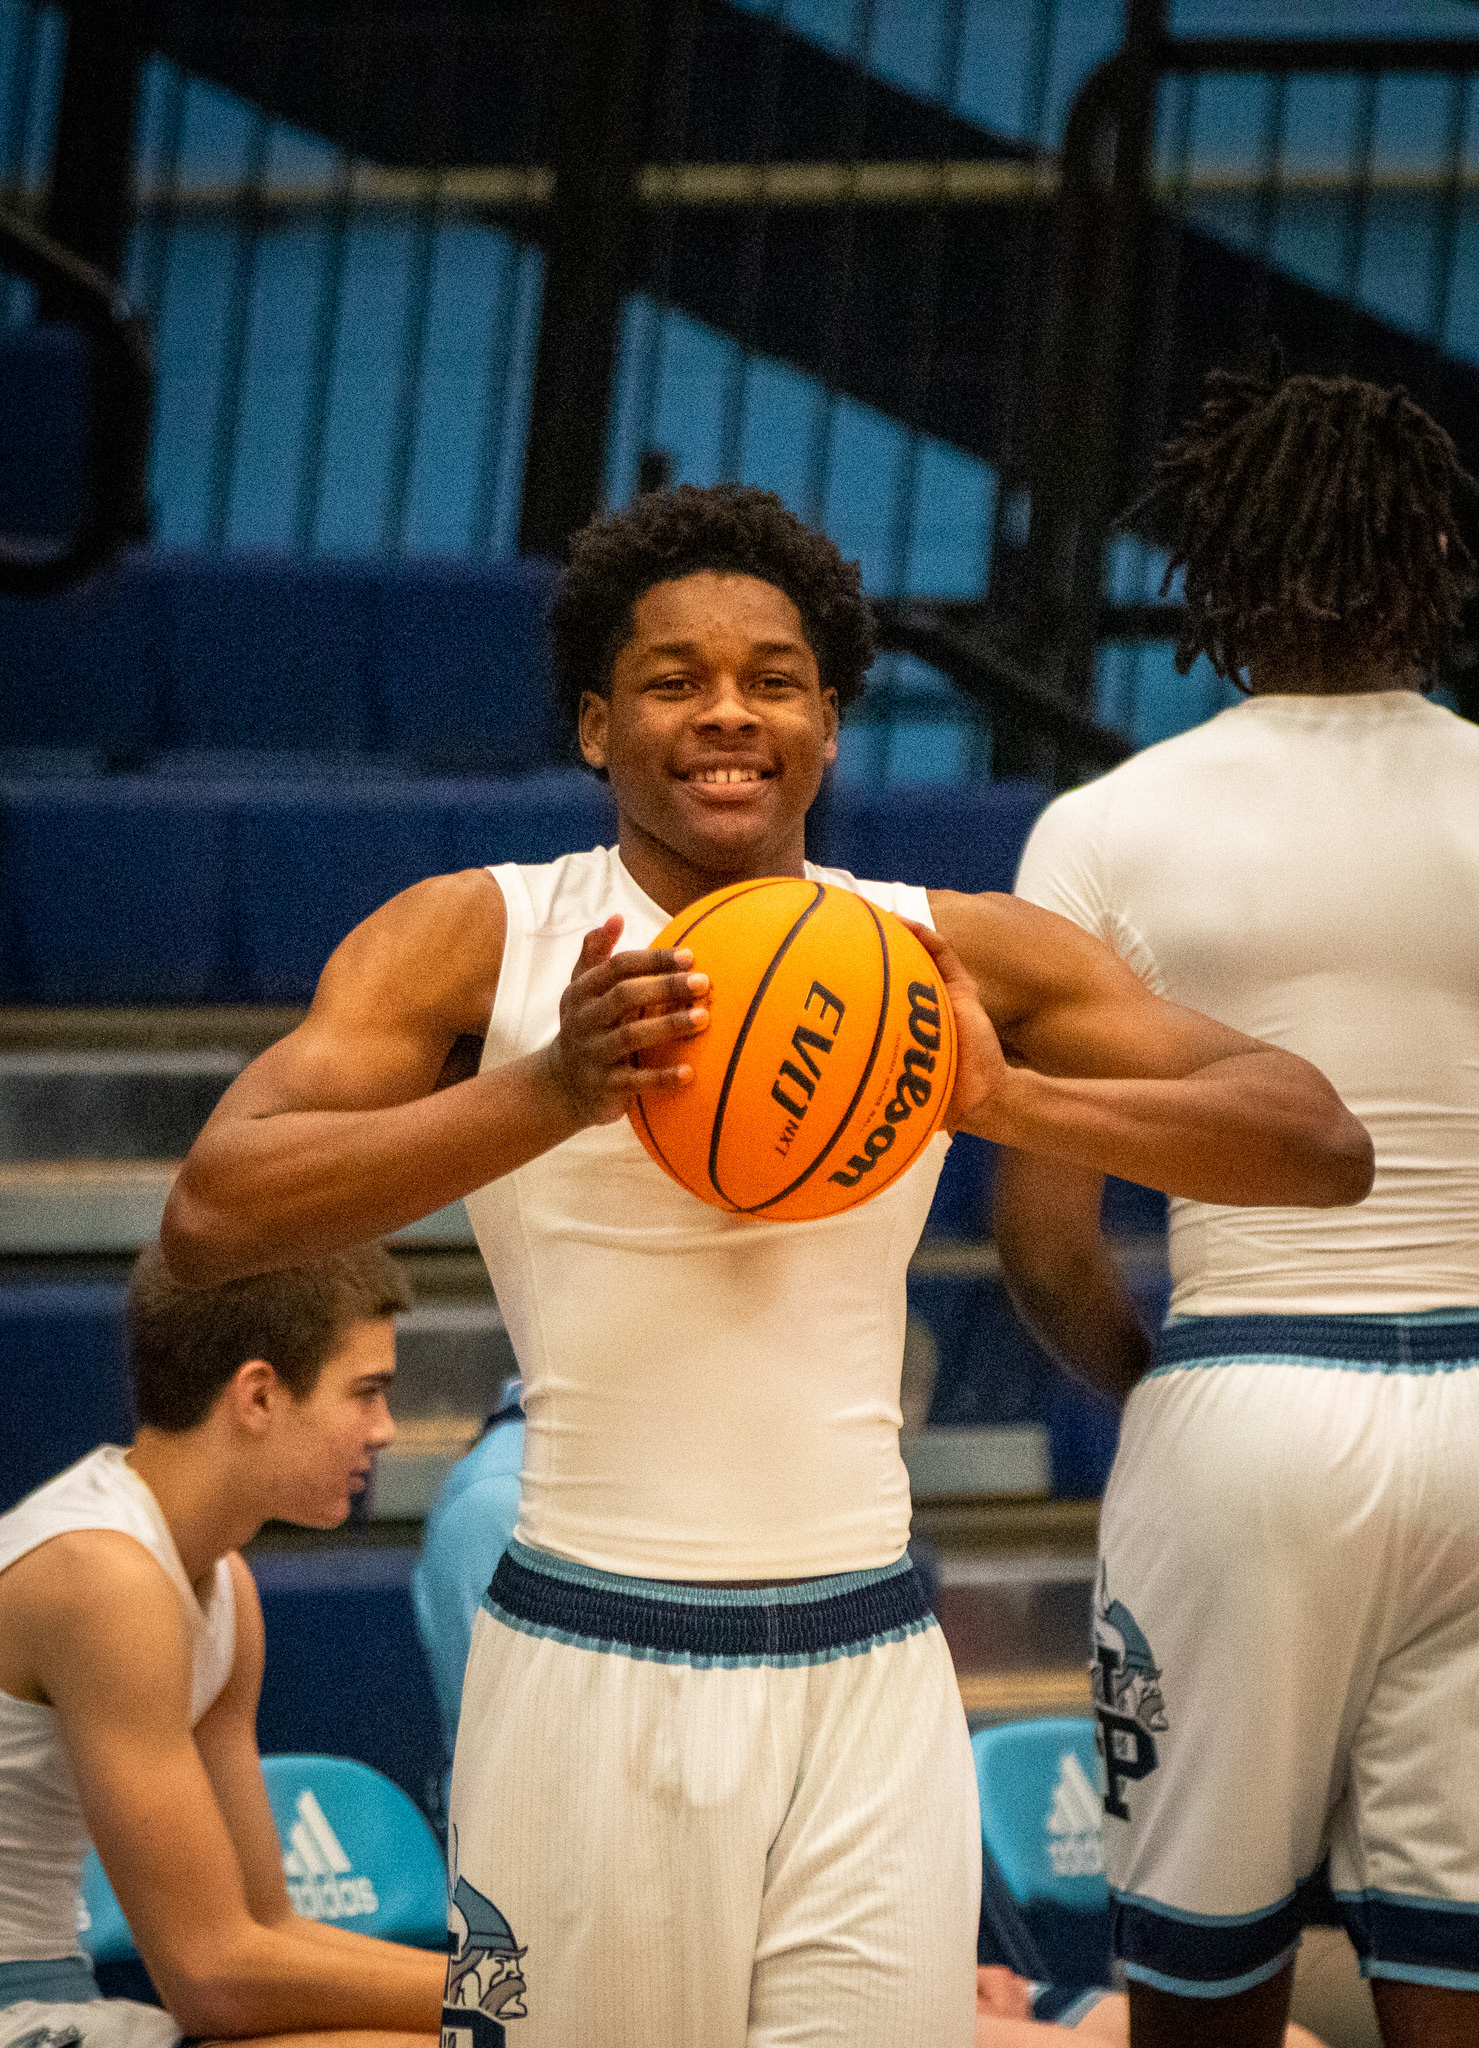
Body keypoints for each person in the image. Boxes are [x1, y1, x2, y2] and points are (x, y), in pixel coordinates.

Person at [160, 483, 1372, 2048]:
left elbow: (1315, 1140)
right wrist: (547, 1090)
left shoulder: (938, 949)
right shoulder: (481, 939)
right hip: (585, 1670)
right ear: (595, 726)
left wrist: (1010, 1104)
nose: (727, 713)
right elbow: (213, 1213)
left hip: (866, 1672)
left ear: (828, 723)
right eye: (673, 680)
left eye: (773, 681)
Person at [994, 361, 1479, 2048]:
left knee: (1201, 1979)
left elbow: (1042, 1238)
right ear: (1434, 550)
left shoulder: (1101, 829)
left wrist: (1169, 1395)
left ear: (1205, 567)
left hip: (1248, 1397)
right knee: (1454, 1959)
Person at [0, 1241, 446, 2048]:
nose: (384, 1430)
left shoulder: (221, 1580)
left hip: (51, 1993)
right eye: (366, 1392)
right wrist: (522, 2003)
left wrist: (513, 1994)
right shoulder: (103, 1575)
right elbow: (212, 1978)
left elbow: (264, 1929)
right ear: (259, 1396)